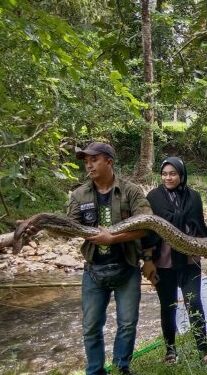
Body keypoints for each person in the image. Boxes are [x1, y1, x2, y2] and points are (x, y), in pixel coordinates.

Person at [43, 142, 154, 375]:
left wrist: (112, 238)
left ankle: (121, 367)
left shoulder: (131, 191)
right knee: (91, 326)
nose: (89, 165)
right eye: (86, 161)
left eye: (93, 160)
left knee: (127, 323)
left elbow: (147, 226)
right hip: (94, 270)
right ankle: (95, 371)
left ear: (109, 162)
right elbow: (70, 227)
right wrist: (45, 225)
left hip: (127, 267)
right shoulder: (79, 194)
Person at [144, 157, 207, 364]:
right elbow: (147, 231)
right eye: (164, 174)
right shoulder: (153, 197)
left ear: (181, 175)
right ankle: (170, 351)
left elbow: (199, 224)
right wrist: (147, 260)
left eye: (172, 173)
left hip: (190, 260)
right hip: (163, 263)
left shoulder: (192, 196)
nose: (168, 177)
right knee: (168, 305)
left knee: (194, 302)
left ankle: (203, 350)